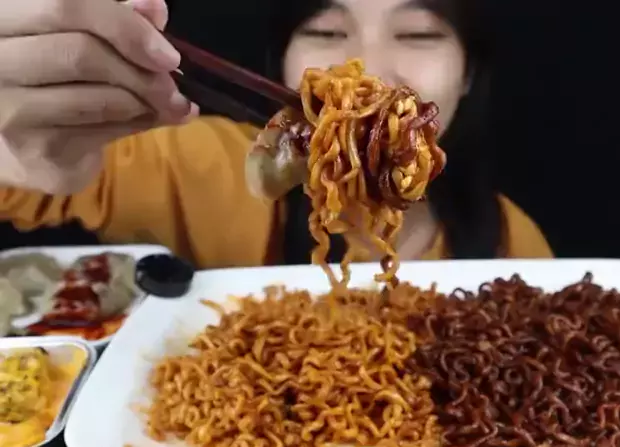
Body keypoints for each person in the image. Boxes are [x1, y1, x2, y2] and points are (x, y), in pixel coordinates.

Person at [0, 0, 552, 269]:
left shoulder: (510, 241)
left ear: (469, 75)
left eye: (418, 34)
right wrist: (23, 128)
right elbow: (23, 181)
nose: (368, 68)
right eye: (326, 31)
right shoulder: (202, 164)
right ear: (281, 61)